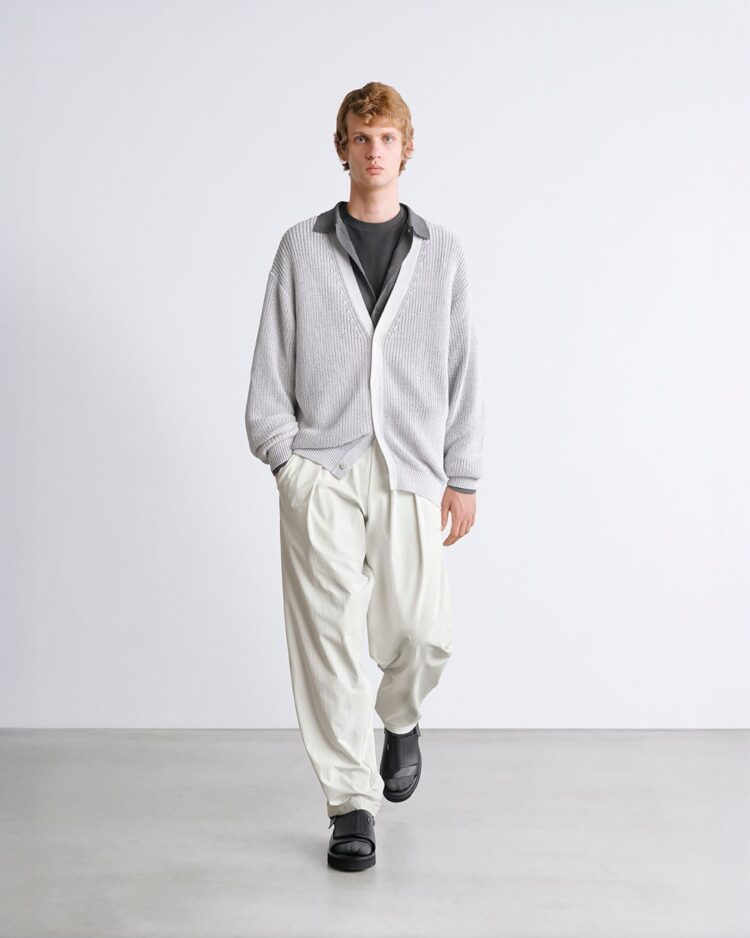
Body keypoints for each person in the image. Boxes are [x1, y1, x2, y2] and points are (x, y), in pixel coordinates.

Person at [245, 81, 485, 872]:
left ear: (405, 149)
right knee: (328, 641)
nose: (373, 151)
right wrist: (284, 459)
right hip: (321, 466)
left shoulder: (441, 252)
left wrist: (462, 473)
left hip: (411, 465)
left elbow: (463, 369)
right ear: (342, 147)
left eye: (386, 139)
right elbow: (271, 359)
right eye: (360, 137)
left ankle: (400, 717)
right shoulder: (301, 247)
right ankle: (351, 803)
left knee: (422, 631)